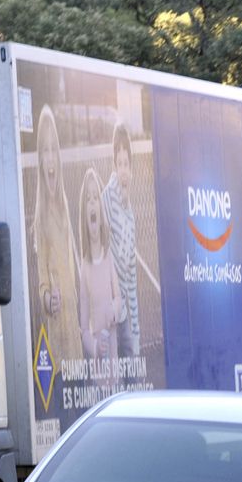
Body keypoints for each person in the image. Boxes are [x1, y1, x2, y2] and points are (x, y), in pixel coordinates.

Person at [32, 105, 82, 365]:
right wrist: (47, 298)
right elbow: (42, 280)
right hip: (58, 332)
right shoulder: (40, 217)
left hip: (75, 328)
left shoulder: (64, 204)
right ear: (40, 158)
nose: (50, 158)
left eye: (54, 149)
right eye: (45, 151)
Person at [102, 123, 140, 359]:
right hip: (111, 306)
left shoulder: (129, 208)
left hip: (127, 306)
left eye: (127, 164)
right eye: (120, 164)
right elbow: (117, 254)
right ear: (114, 165)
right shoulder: (108, 198)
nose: (124, 170)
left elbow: (131, 268)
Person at [76, 167, 118, 374]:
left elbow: (119, 299)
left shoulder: (109, 256)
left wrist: (113, 309)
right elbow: (84, 329)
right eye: (88, 199)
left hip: (114, 361)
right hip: (99, 368)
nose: (93, 202)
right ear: (85, 215)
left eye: (96, 198)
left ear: (100, 211)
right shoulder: (84, 267)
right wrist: (94, 347)